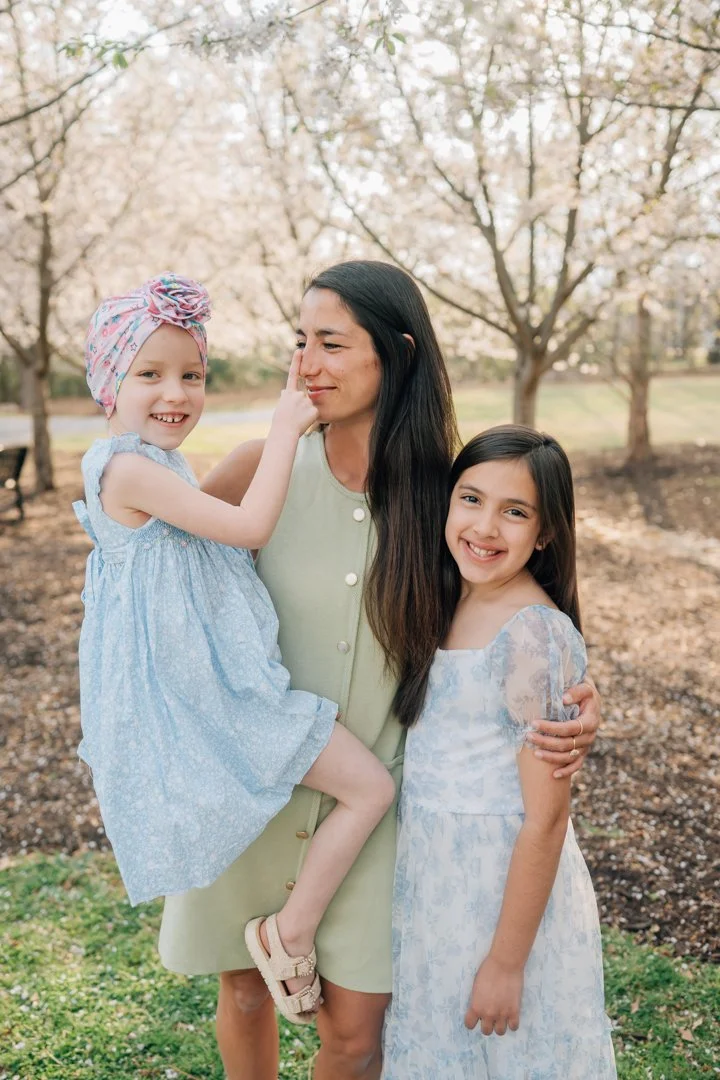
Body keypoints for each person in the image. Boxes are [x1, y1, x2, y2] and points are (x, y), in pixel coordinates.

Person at [158, 261, 603, 1080]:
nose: (306, 365)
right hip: (254, 786)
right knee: (247, 996)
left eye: (331, 343)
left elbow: (509, 610)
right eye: (300, 343)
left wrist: (578, 691)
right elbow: (150, 582)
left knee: (358, 1037)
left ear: (396, 355)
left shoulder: (447, 493)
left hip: (378, 814)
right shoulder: (259, 469)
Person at [73, 272, 395, 1024]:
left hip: (214, 693)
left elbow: (213, 559)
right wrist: (284, 431)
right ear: (107, 382)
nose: (175, 393)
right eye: (148, 374)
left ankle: (284, 931)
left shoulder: (158, 466)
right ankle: (288, 933)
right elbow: (247, 528)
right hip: (219, 703)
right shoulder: (126, 470)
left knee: (360, 788)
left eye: (192, 374)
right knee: (372, 788)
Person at [381, 425, 616, 1079]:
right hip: (435, 886)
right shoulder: (447, 600)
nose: (485, 526)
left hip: (499, 894)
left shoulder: (531, 635)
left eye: (515, 512)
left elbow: (545, 817)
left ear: (545, 533)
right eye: (471, 499)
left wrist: (507, 961)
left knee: (507, 1054)